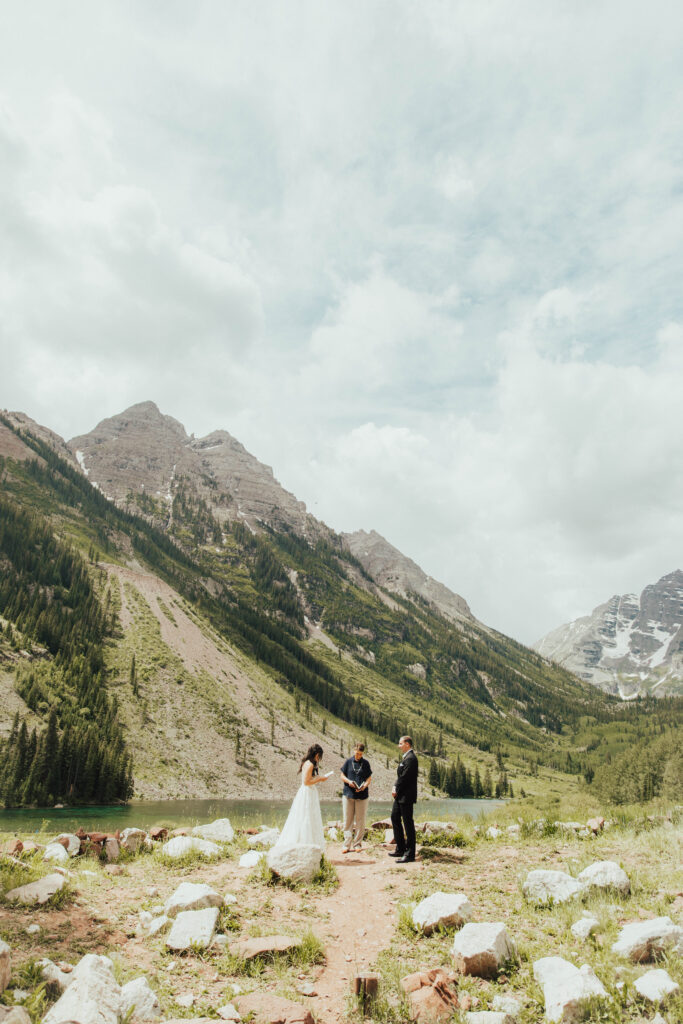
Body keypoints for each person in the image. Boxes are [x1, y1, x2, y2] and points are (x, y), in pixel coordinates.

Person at [272, 743, 332, 850]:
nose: (319, 759)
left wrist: (317, 777)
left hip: (307, 792)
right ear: (317, 754)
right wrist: (319, 778)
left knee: (304, 816)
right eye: (319, 756)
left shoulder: (306, 763)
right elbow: (306, 782)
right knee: (307, 816)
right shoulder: (310, 765)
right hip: (308, 792)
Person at [389, 735, 419, 863]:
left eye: (400, 743)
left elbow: (405, 777)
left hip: (406, 796)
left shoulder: (411, 759)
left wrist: (396, 788)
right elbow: (401, 776)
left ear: (407, 744)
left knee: (408, 823)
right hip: (400, 795)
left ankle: (410, 853)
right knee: (395, 817)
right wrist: (396, 788)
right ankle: (400, 848)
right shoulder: (406, 758)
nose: (399, 745)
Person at [340, 742, 372, 852]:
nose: (358, 755)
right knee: (347, 820)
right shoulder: (348, 762)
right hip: (348, 794)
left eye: (360, 754)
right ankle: (346, 844)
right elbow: (342, 775)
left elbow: (369, 778)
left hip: (362, 795)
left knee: (360, 820)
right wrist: (349, 782)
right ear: (354, 751)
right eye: (356, 753)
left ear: (363, 753)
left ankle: (357, 844)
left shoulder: (366, 763)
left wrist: (365, 785)